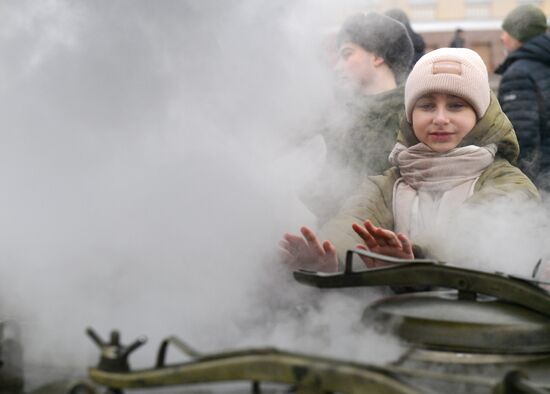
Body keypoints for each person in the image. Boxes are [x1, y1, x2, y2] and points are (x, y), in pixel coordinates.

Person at [281, 48, 539, 273]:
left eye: (456, 105)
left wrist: (415, 255)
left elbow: (476, 225)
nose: (439, 118)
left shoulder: (506, 179)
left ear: (480, 115)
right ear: (409, 116)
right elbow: (354, 221)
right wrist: (330, 254)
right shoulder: (388, 184)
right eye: (426, 106)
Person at [304, 12, 414, 223]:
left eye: (347, 54)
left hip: (389, 246)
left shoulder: (413, 116)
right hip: (336, 242)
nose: (338, 67)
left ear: (377, 56)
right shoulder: (337, 116)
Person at [495, 4, 550, 191]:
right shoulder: (544, 62)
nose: (502, 37)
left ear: (520, 34)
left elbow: (521, 140)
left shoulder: (518, 74)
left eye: (507, 31)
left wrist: (522, 186)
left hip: (540, 182)